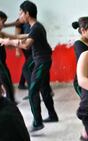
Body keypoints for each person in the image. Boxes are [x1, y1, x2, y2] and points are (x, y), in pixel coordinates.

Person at [4, 1, 59, 132]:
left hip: (42, 62)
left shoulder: (36, 27)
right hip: (41, 60)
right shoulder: (35, 27)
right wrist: (6, 36)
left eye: (21, 12)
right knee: (44, 87)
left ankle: (37, 122)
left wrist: (9, 41)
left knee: (33, 90)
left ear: (27, 13)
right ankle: (52, 115)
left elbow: (26, 45)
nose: (19, 15)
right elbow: (23, 36)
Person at [0, 8, 25, 103]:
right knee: (6, 84)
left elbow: (15, 36)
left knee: (8, 83)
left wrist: (30, 34)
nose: (2, 23)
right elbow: (3, 41)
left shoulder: (0, 33)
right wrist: (14, 42)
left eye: (1, 21)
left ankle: (11, 101)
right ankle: (10, 102)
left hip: (2, 63)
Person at [72, 16, 88, 141]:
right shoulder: (78, 45)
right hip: (81, 82)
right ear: (83, 30)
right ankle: (87, 133)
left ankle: (86, 133)